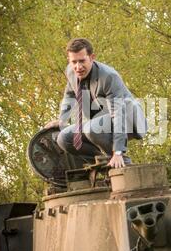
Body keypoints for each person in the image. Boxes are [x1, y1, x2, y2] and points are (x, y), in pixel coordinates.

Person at [46, 38, 147, 168]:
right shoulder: (71, 72)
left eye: (82, 61)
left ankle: (123, 163)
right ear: (69, 61)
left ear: (92, 57)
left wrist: (117, 152)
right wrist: (62, 120)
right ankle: (102, 161)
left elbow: (118, 114)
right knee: (64, 138)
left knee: (92, 128)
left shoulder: (109, 76)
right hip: (98, 122)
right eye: (74, 62)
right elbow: (70, 95)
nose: (78, 67)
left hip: (127, 119)